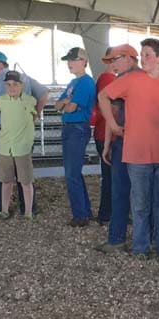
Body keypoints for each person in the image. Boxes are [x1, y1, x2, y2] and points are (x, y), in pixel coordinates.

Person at [103, 37, 159, 258]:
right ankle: (141, 247)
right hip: (137, 154)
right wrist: (112, 125)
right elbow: (104, 96)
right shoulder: (131, 80)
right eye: (142, 55)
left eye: (147, 54)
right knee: (140, 204)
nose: (143, 59)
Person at [0, 50, 48, 216]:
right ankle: (28, 209)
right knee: (24, 172)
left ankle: (0, 207)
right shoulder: (25, 79)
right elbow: (43, 93)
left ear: (0, 64)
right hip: (22, 132)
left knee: (1, 171)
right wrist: (34, 115)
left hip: (1, 132)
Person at [95, 45, 140, 253]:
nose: (112, 65)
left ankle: (117, 238)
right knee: (144, 194)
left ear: (130, 58)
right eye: (110, 61)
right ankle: (146, 241)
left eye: (115, 60)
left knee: (121, 190)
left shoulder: (122, 82)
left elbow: (110, 111)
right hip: (143, 142)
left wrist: (109, 140)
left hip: (126, 141)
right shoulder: (149, 79)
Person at [55, 46, 97, 228]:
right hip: (71, 128)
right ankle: (84, 211)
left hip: (77, 128)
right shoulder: (74, 82)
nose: (70, 63)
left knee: (72, 173)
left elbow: (69, 107)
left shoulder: (86, 82)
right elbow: (58, 105)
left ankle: (80, 214)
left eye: (73, 60)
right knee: (74, 173)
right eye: (69, 61)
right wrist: (66, 103)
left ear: (84, 62)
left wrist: (66, 103)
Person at [0, 70, 36, 220]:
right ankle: (4, 210)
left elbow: (34, 113)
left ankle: (28, 212)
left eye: (15, 84)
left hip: (22, 146)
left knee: (26, 181)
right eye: (8, 85)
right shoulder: (0, 100)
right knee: (6, 180)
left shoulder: (29, 100)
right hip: (5, 146)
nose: (12, 88)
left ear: (21, 85)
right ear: (4, 86)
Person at [90, 48, 119, 225]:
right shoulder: (109, 79)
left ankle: (107, 212)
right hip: (107, 133)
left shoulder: (105, 78)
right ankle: (108, 212)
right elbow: (109, 109)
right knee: (112, 176)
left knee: (109, 175)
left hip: (103, 132)